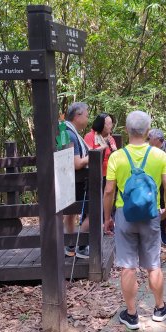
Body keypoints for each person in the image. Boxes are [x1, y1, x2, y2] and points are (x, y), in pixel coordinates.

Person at [104, 111, 166, 330]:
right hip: (151, 214)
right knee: (153, 265)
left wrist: (107, 218)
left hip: (124, 214)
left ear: (126, 130)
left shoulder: (117, 157)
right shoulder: (160, 155)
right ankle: (160, 308)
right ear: (147, 131)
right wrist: (165, 212)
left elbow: (109, 191)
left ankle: (132, 314)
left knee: (128, 266)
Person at [63, 102, 90, 259]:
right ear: (77, 116)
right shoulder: (70, 134)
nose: (87, 119)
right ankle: (80, 244)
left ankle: (71, 244)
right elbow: (77, 163)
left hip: (70, 181)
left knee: (70, 212)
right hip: (76, 180)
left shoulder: (66, 132)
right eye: (86, 115)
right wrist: (94, 154)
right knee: (95, 211)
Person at [147, 129, 166, 245]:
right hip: (149, 182)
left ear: (158, 140)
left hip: (163, 181)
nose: (149, 141)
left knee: (163, 205)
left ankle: (163, 231)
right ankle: (150, 232)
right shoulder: (145, 147)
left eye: (151, 139)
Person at [84, 113, 117, 180]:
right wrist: (103, 146)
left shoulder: (110, 138)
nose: (111, 126)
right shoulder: (90, 136)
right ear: (101, 125)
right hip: (95, 176)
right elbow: (90, 155)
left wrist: (115, 151)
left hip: (110, 175)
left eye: (111, 123)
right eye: (109, 124)